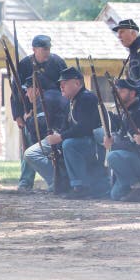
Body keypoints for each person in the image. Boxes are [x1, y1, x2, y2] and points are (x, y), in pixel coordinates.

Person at [12, 34, 67, 190]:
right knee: (29, 143)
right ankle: (25, 181)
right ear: (34, 49)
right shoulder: (24, 65)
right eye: (44, 49)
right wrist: (18, 115)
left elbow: (66, 84)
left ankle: (58, 179)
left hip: (55, 111)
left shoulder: (57, 62)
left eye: (48, 48)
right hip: (30, 111)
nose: (47, 52)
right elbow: (16, 91)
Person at [43, 67, 104, 199]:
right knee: (63, 144)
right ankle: (67, 183)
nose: (61, 87)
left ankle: (80, 186)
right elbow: (68, 125)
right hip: (85, 142)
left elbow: (84, 127)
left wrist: (61, 137)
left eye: (64, 83)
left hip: (95, 143)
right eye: (60, 84)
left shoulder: (86, 98)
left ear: (77, 83)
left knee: (69, 144)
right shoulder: (73, 101)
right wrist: (58, 135)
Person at [105, 79, 140, 201]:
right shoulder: (128, 112)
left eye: (122, 91)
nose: (118, 94)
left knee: (113, 156)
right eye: (117, 91)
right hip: (134, 161)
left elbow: (136, 145)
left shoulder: (139, 113)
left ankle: (138, 187)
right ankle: (134, 186)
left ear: (132, 93)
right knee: (115, 195)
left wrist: (114, 142)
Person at [20, 78, 70, 192]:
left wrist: (28, 120)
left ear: (36, 90)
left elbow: (41, 124)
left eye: (28, 90)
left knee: (30, 154)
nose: (26, 95)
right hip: (62, 135)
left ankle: (56, 182)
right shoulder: (51, 96)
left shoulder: (44, 100)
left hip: (59, 137)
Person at [112, 19, 140, 88]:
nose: (119, 36)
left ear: (133, 33)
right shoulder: (134, 50)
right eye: (118, 33)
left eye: (122, 32)